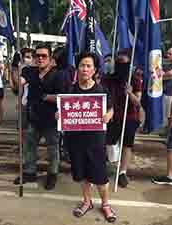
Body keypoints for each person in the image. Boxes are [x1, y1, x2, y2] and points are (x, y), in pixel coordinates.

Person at [58, 52, 116, 223]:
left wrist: (108, 115)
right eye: (82, 65)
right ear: (78, 68)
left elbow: (112, 109)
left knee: (100, 176)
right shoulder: (70, 90)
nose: (85, 69)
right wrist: (59, 115)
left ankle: (105, 204)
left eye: (88, 65)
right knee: (82, 174)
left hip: (95, 140)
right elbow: (63, 111)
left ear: (94, 69)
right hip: (75, 140)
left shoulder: (101, 90)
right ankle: (87, 201)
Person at [13, 43, 62, 190]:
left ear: (50, 58)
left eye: (44, 56)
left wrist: (45, 97)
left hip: (51, 119)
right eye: (37, 56)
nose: (40, 58)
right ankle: (29, 172)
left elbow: (62, 96)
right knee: (29, 146)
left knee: (53, 149)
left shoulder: (58, 75)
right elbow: (18, 84)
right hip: (33, 118)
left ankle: (52, 174)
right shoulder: (29, 71)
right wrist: (15, 68)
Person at [102, 51, 143, 188]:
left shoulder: (135, 79)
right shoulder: (109, 79)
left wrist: (130, 93)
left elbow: (138, 102)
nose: (121, 64)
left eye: (124, 62)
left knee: (127, 145)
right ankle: (110, 163)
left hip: (129, 116)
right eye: (119, 61)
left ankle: (122, 172)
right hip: (112, 116)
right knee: (109, 142)